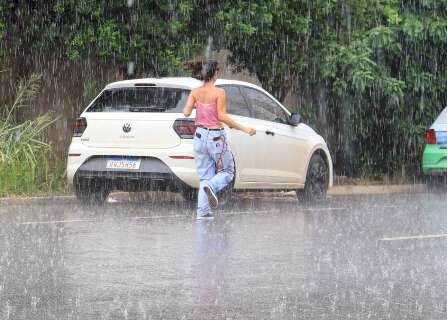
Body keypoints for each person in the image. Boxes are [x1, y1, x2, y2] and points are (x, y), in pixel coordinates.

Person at [182, 59, 256, 220]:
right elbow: (221, 116)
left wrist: (197, 105)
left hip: (199, 137)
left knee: (205, 176)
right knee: (228, 172)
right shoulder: (219, 92)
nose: (218, 74)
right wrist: (244, 128)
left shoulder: (194, 92)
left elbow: (186, 113)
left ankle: (203, 212)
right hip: (215, 137)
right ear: (214, 73)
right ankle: (212, 186)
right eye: (217, 71)